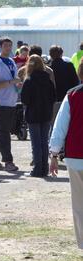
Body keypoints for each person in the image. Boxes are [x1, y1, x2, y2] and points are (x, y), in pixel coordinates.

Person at [49, 58, 83, 251]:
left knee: (80, 204)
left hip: (77, 156)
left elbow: (60, 127)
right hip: (76, 156)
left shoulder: (72, 96)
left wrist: (54, 154)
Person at [0, 37, 21, 172]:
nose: (8, 48)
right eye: (6, 45)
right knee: (4, 133)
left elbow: (14, 80)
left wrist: (17, 84)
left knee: (1, 132)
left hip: (11, 102)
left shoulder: (11, 61)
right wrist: (11, 82)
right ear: (1, 47)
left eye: (10, 45)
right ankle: (8, 161)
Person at [21, 55, 56, 177]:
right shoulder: (48, 79)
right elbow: (53, 97)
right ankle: (44, 169)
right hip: (46, 114)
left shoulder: (29, 80)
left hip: (33, 114)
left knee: (36, 143)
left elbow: (24, 100)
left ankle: (37, 169)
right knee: (44, 142)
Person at [49, 45, 80, 126]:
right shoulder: (69, 65)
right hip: (68, 99)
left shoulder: (49, 68)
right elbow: (76, 82)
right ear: (61, 54)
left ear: (50, 55)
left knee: (54, 125)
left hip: (54, 100)